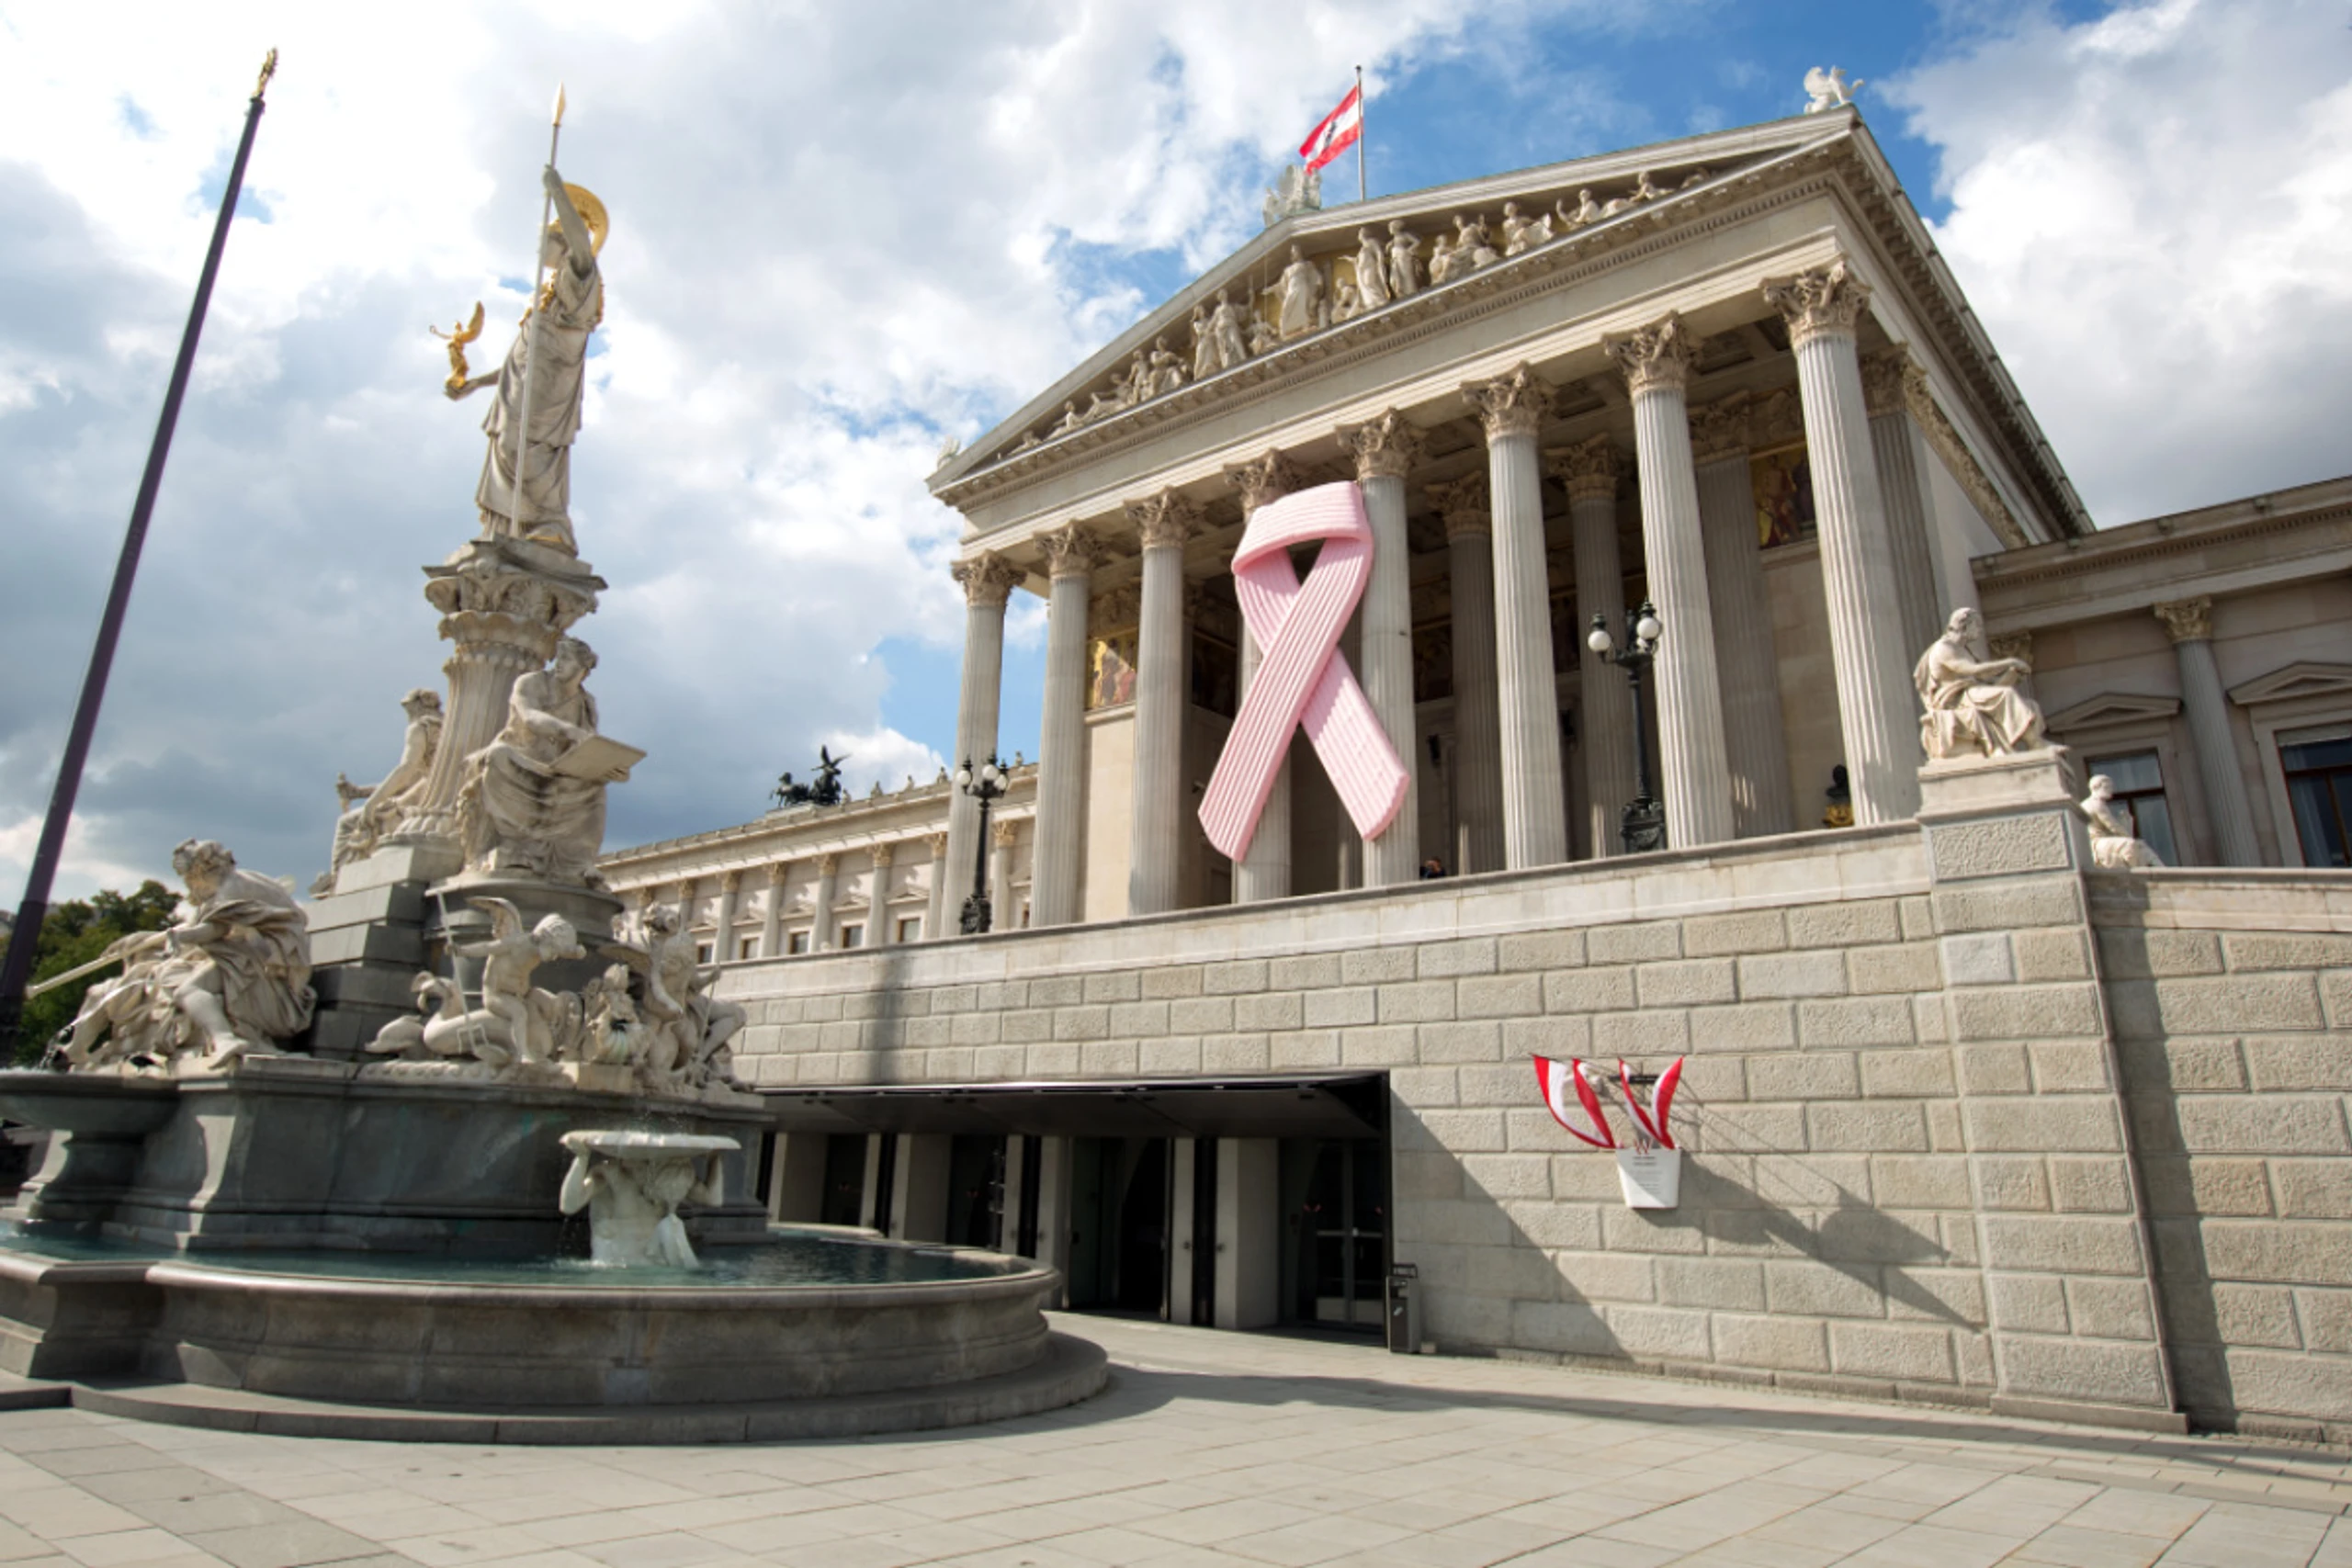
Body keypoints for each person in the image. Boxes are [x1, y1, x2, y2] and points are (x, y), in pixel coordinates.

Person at [450, 169, 605, 555]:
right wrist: (475, 384)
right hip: (521, 388)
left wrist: (558, 194)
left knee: (529, 451)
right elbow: (517, 364)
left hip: (548, 393)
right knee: (507, 448)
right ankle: (518, 527)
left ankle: (549, 525)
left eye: (544, 243)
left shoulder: (578, 281)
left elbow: (582, 247)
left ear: (564, 239)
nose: (539, 252)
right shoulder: (543, 301)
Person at [64, 840, 313, 1069]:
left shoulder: (231, 887)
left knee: (187, 989)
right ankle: (76, 1049)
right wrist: (143, 939)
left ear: (199, 872)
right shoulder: (234, 884)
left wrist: (181, 938)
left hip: (263, 970)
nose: (189, 885)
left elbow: (215, 928)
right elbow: (196, 925)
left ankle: (224, 1039)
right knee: (124, 984)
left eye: (188, 877)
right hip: (248, 959)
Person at [1915, 608, 2047, 760]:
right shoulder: (1945, 647)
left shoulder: (1964, 650)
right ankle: (2035, 743)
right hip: (1956, 699)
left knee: (2030, 705)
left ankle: (2035, 745)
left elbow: (1987, 679)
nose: (1979, 629)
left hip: (1970, 693)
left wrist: (2012, 674)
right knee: (2006, 695)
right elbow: (1972, 670)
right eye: (1977, 625)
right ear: (1965, 625)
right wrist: (2009, 661)